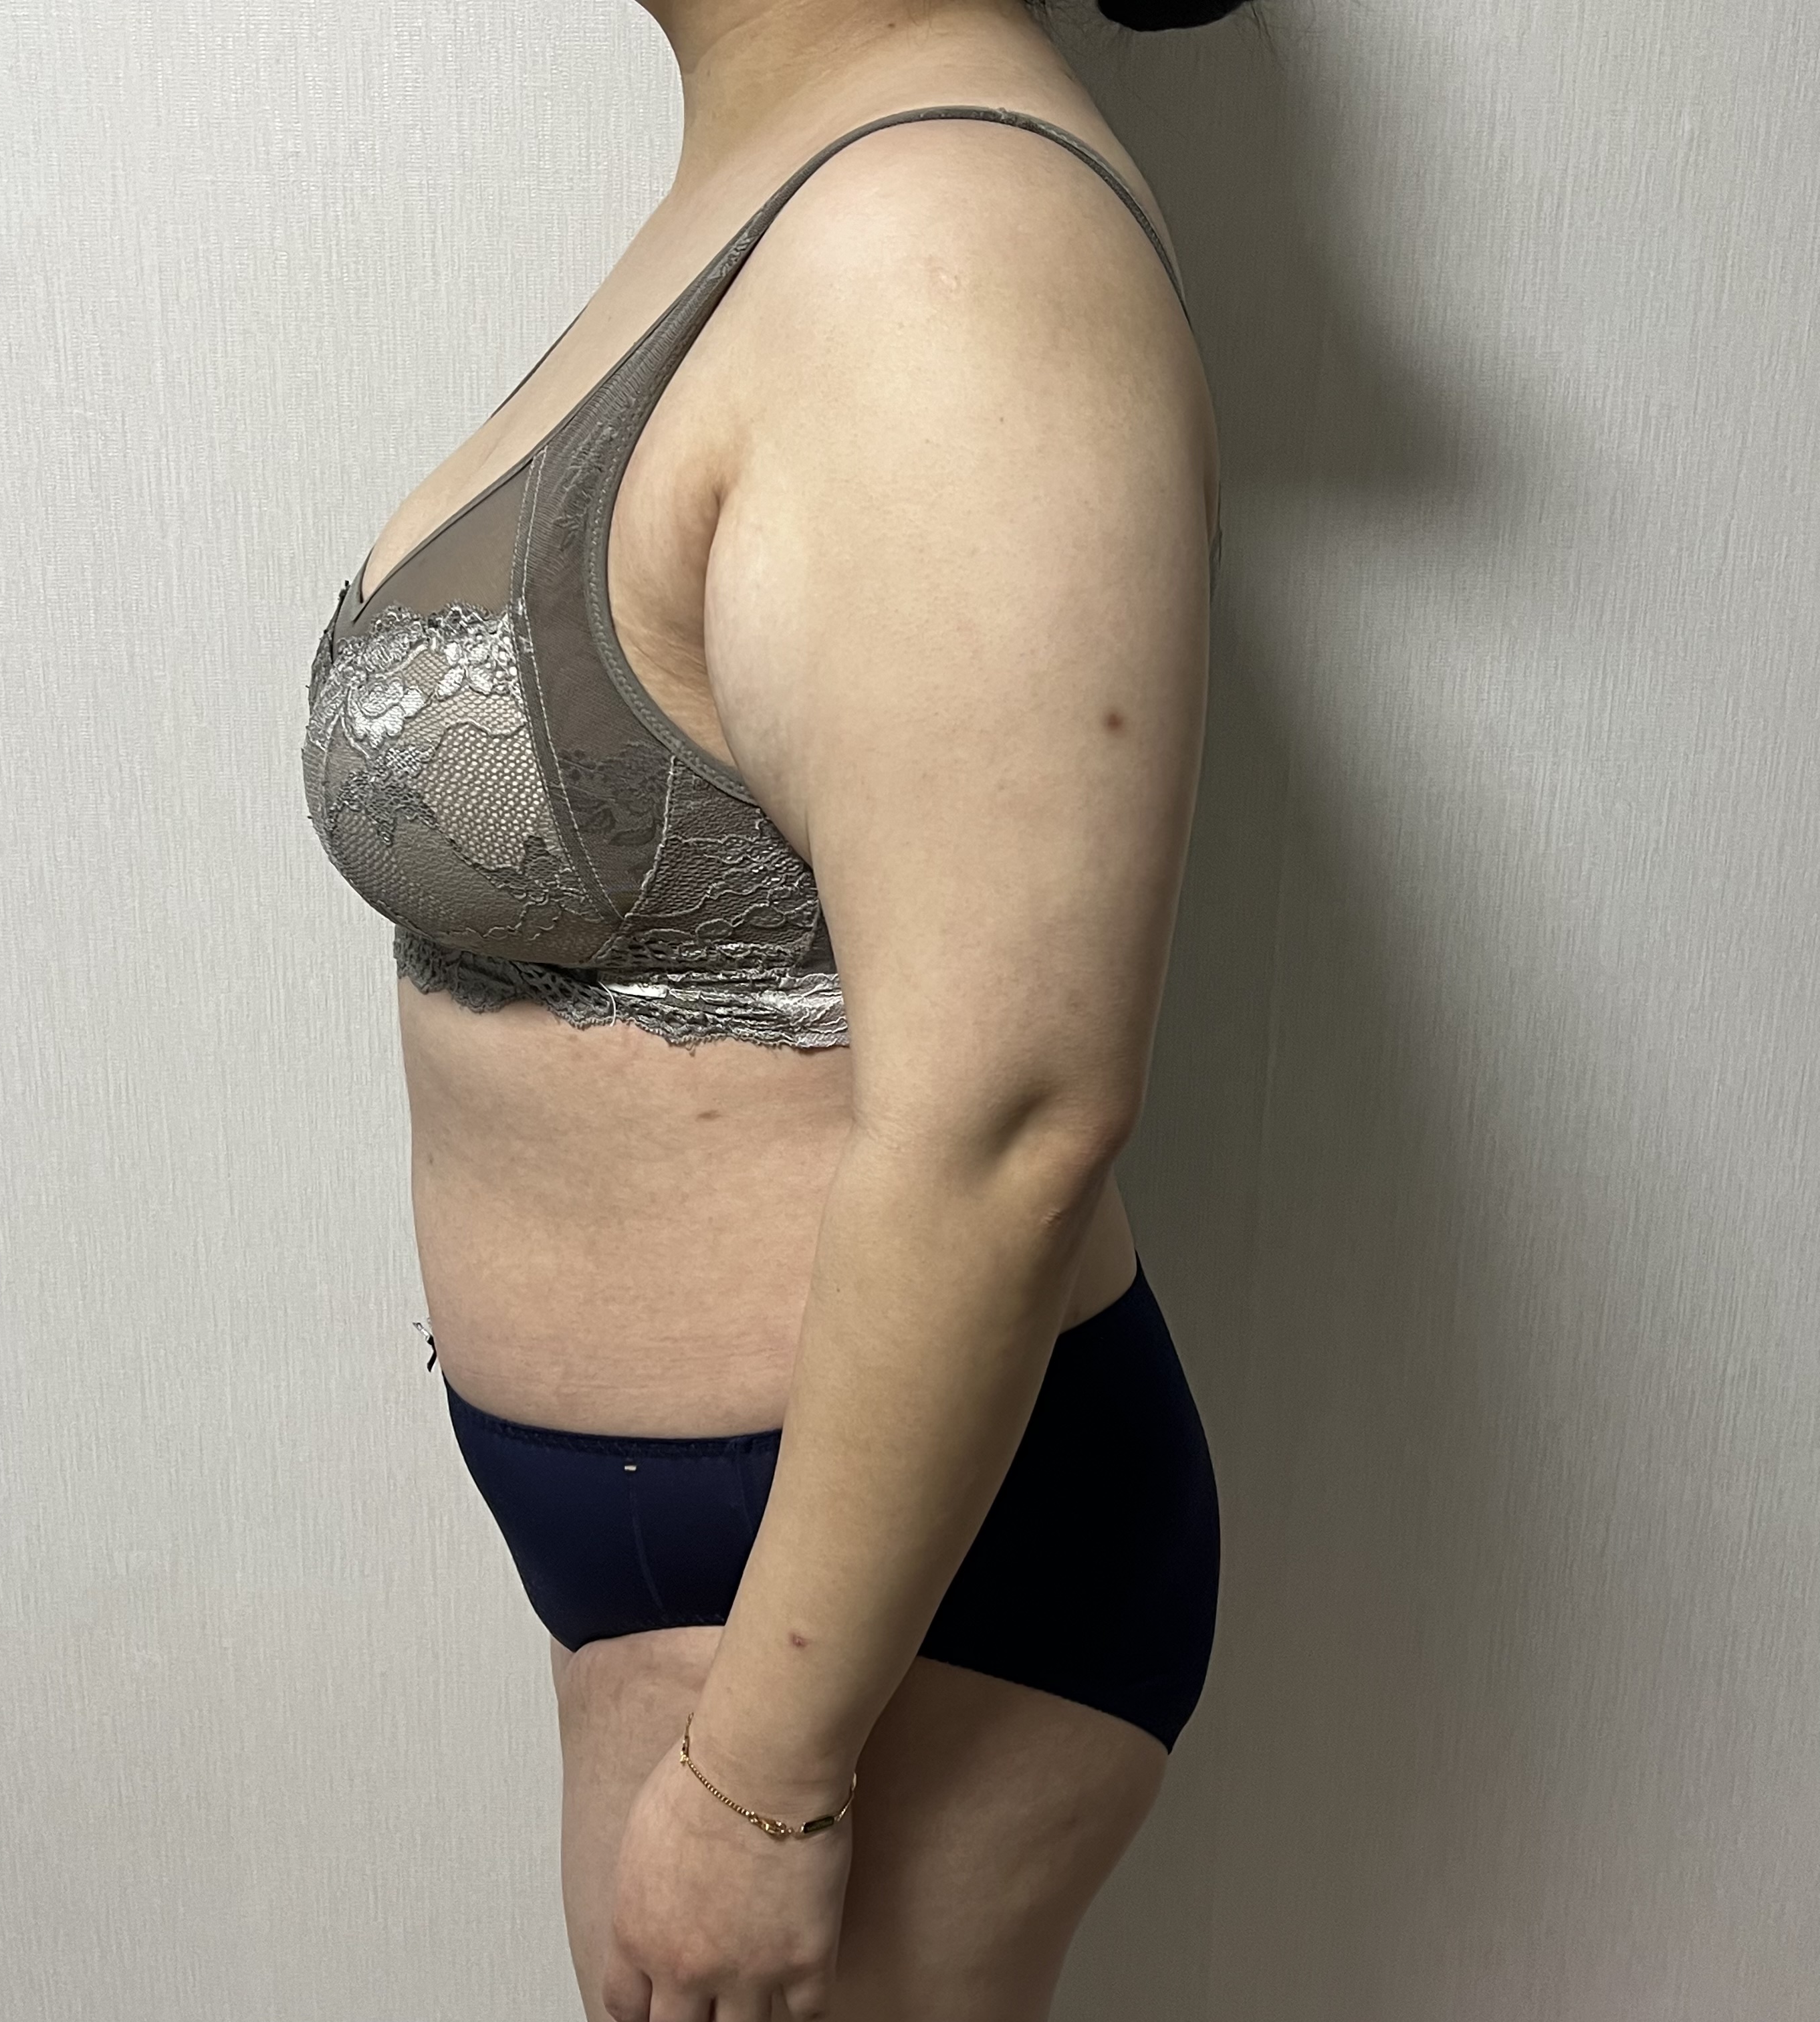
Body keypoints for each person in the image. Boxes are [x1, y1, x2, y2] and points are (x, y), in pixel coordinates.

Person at [302, 0, 1244, 2012]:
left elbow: (1013, 1113)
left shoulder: (944, 247)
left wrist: (760, 1788)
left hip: (878, 1632)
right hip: (711, 1590)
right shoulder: (788, 183)